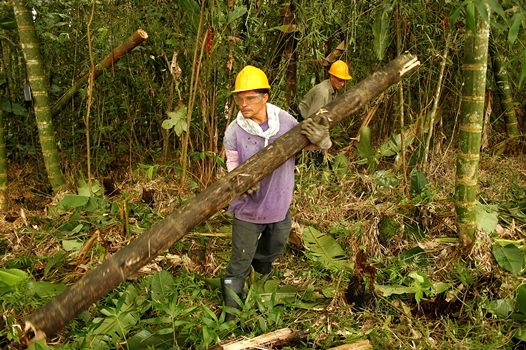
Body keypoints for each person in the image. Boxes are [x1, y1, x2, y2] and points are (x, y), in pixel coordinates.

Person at [221, 65, 332, 321]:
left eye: (250, 98)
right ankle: (230, 318)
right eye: (240, 98)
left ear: (265, 97)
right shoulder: (234, 132)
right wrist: (239, 181)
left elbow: (310, 143)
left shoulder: (286, 121)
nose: (243, 103)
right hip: (247, 209)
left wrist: (323, 141)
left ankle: (259, 272)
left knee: (276, 245)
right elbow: (231, 167)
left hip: (279, 204)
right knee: (238, 263)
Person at [298, 60, 352, 165]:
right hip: (302, 121)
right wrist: (321, 142)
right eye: (340, 79)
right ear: (332, 77)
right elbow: (313, 120)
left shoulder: (333, 90)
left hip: (313, 121)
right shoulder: (322, 93)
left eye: (344, 80)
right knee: (310, 154)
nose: (342, 83)